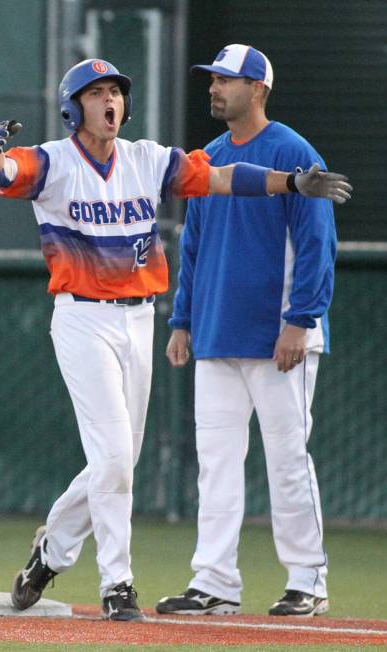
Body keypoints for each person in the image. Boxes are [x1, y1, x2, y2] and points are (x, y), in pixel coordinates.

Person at [0, 58, 351, 621]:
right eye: (97, 92)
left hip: (138, 319)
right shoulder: (56, 161)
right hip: (82, 318)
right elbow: (5, 172)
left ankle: (50, 552)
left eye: (116, 92)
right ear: (73, 106)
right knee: (116, 459)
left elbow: (223, 178)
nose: (110, 101)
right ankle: (118, 584)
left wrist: (291, 182)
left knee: (117, 461)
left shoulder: (148, 159)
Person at [156, 44, 346, 619]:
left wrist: (300, 321)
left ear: (258, 88)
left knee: (288, 459)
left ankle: (307, 580)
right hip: (215, 333)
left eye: (225, 80)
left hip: (277, 339)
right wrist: (183, 319)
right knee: (215, 462)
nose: (213, 88)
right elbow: (193, 247)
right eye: (211, 79)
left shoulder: (294, 152)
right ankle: (214, 583)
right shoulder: (207, 160)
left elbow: (318, 245)